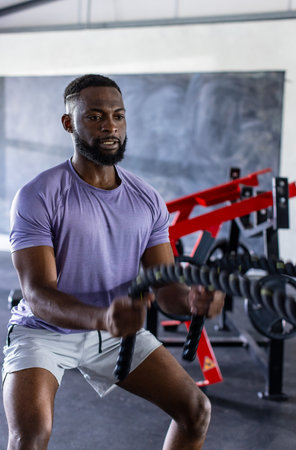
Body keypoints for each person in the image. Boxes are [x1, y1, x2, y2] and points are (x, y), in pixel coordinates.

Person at [2, 74, 225, 450]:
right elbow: (39, 294)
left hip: (114, 331)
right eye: (95, 116)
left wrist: (193, 302)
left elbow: (165, 285)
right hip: (44, 331)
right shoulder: (38, 195)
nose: (110, 126)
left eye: (118, 115)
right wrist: (101, 317)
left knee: (195, 409)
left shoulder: (147, 199)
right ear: (69, 123)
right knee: (31, 435)